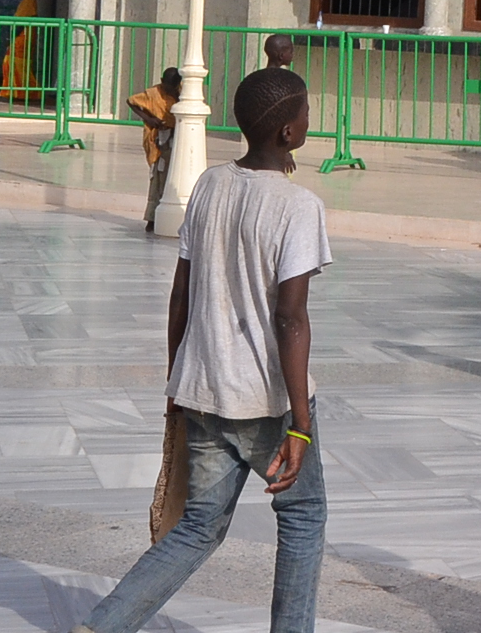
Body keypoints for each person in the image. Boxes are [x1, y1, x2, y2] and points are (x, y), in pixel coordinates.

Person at [70, 68, 330, 633]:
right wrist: (301, 423)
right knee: (304, 515)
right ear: (289, 132)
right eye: (306, 113)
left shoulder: (210, 184)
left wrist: (175, 386)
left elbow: (180, 294)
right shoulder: (298, 206)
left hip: (202, 387)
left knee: (198, 527)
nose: (310, 120)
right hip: (263, 399)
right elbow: (291, 316)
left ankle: (104, 624)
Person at [130, 68, 184, 232]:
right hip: (157, 140)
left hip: (174, 140)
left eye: (171, 86)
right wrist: (149, 119)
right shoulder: (154, 93)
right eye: (166, 85)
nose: (167, 89)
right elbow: (132, 101)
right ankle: (152, 219)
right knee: (157, 178)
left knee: (171, 178)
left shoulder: (181, 94)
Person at [0, 0, 44, 104]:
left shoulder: (28, 1)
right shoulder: (29, 1)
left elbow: (21, 22)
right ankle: (17, 91)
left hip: (23, 36)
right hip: (25, 36)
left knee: (14, 62)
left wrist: (10, 37)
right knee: (16, 63)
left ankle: (23, 91)